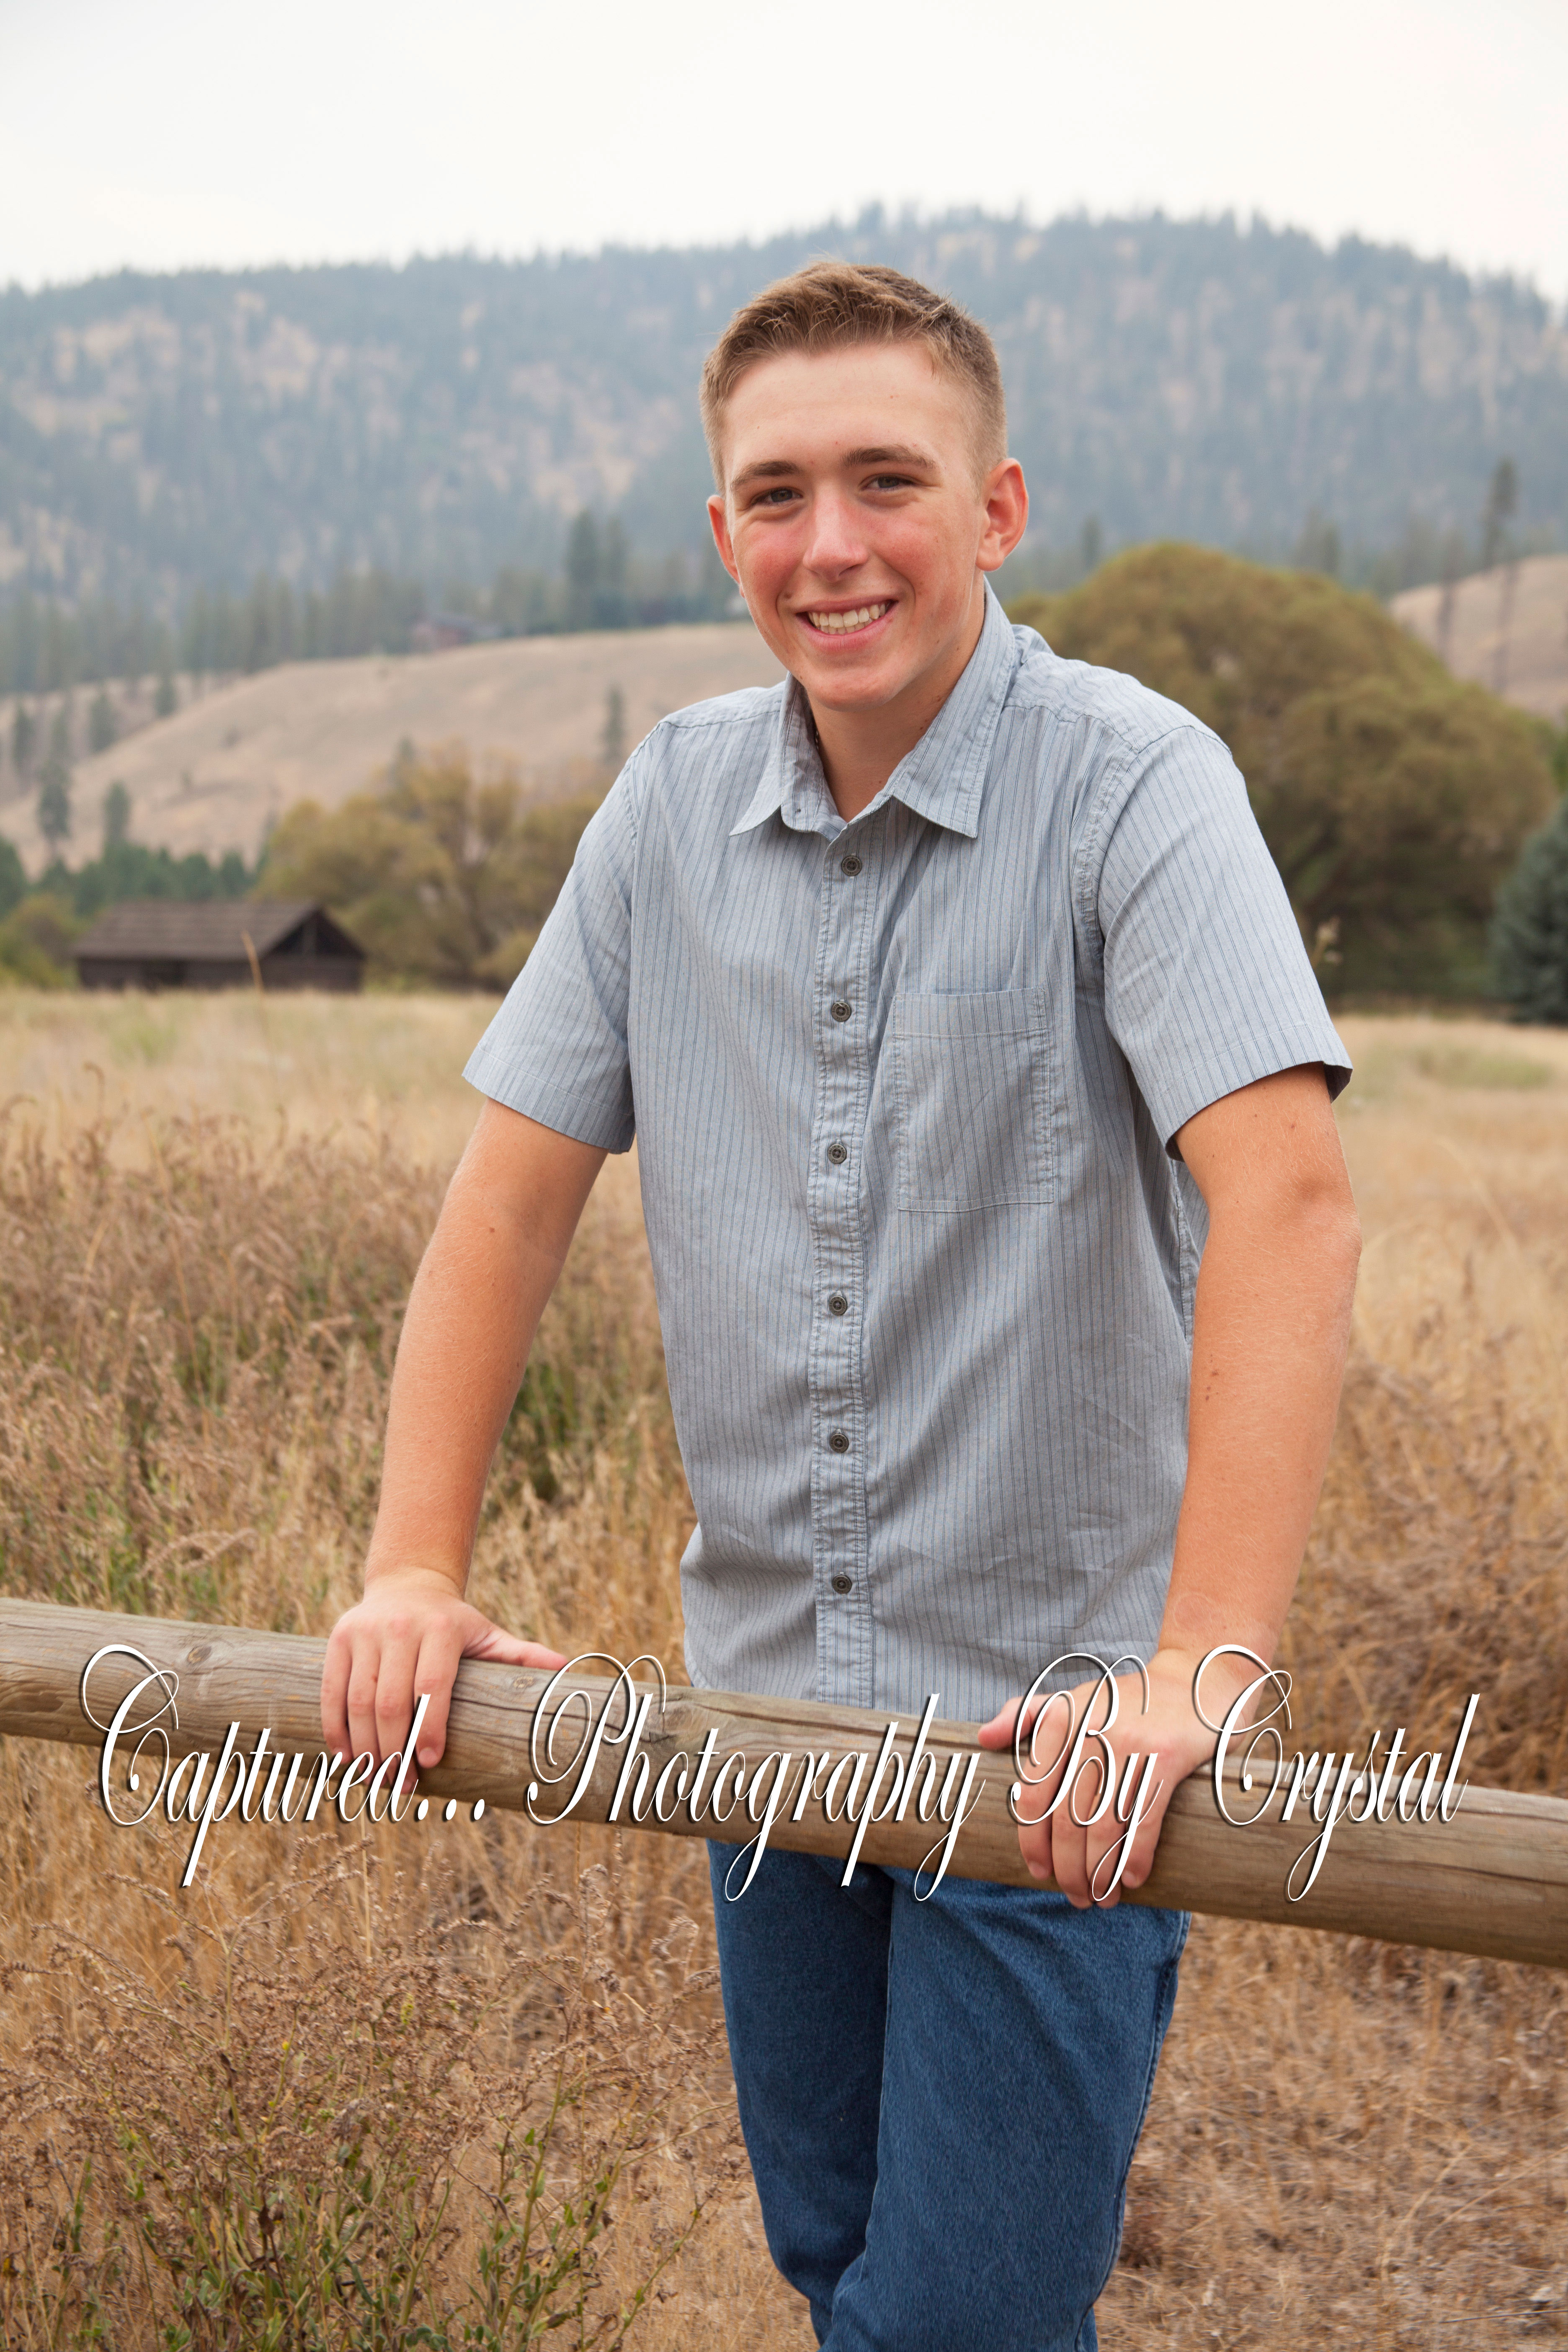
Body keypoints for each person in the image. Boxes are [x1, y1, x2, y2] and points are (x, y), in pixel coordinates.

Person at [321, 261, 1361, 2351]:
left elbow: (1293, 1202)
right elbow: (507, 1204)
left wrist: (1199, 1667)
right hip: (766, 1727)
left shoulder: (1136, 787)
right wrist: (411, 1566)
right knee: (841, 2275)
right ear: (724, 532)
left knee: (954, 2327)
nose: (833, 545)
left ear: (998, 509)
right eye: (779, 495)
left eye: (890, 480)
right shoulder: (666, 808)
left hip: (1048, 1750)